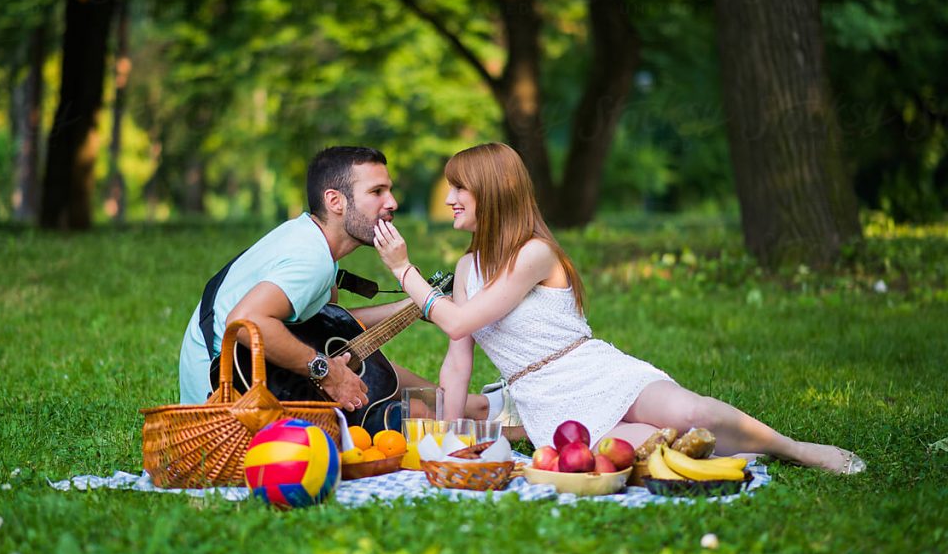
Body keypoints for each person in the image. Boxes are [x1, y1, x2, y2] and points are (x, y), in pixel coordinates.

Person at [372, 142, 866, 473]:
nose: (451, 199)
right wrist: (454, 442)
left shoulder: (534, 253)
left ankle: (795, 449)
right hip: (548, 402)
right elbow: (458, 359)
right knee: (651, 449)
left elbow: (456, 319)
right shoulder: (466, 270)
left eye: (460, 188)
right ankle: (730, 455)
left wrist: (402, 270)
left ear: (493, 192)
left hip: (596, 372)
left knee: (692, 413)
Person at [178, 146, 492, 431]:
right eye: (377, 192)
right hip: (227, 404)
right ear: (335, 201)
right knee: (415, 415)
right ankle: (484, 417)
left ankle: (469, 407)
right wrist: (326, 371)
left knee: (357, 360)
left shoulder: (309, 239)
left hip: (244, 378)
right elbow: (244, 322)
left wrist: (413, 307)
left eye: (390, 191)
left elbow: (326, 324)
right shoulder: (311, 259)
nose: (392, 203)